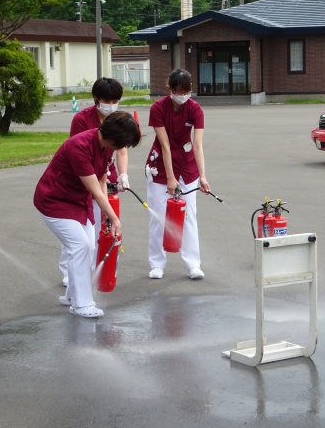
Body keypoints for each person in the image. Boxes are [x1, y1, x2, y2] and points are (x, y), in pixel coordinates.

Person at [34, 111, 141, 318]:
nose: (122, 149)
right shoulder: (79, 147)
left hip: (78, 201)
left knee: (89, 247)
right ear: (113, 137)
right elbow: (95, 190)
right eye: (123, 144)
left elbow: (101, 179)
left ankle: (71, 296)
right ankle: (82, 304)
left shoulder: (105, 146)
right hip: (53, 201)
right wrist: (114, 217)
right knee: (80, 246)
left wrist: (106, 213)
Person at [56, 78, 130, 287]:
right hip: (83, 176)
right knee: (78, 226)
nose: (112, 104)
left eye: (116, 100)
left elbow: (122, 150)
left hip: (105, 174)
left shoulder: (117, 118)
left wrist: (123, 175)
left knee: (100, 224)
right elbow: (79, 154)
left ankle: (94, 266)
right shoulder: (82, 119)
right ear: (96, 99)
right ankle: (69, 271)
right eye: (107, 100)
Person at [145, 68, 210, 280]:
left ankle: (193, 264)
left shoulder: (195, 109)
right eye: (177, 90)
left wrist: (202, 176)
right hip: (160, 165)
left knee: (189, 214)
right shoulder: (157, 108)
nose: (181, 95)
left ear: (191, 89)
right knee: (159, 215)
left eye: (185, 90)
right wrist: (171, 179)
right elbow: (164, 146)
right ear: (169, 89)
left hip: (187, 164)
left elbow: (198, 145)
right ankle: (157, 263)